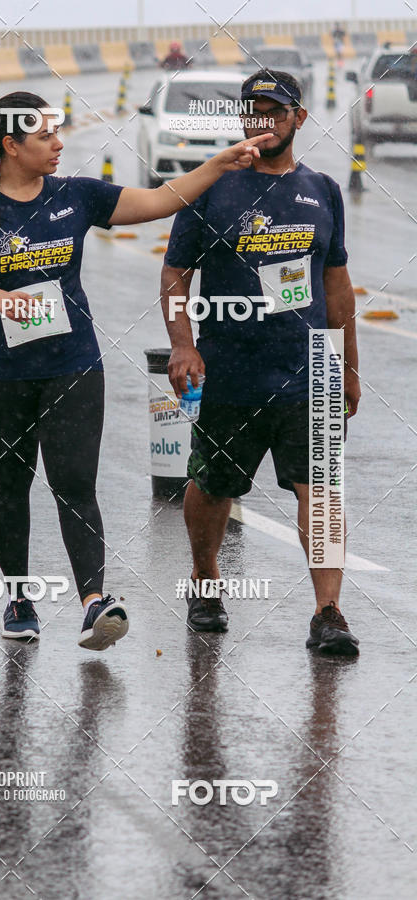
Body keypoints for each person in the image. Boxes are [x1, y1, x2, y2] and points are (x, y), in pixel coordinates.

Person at [0, 90, 271, 651]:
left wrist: (218, 163)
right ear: (10, 145)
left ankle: (95, 602)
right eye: (45, 135)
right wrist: (4, 299)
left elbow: (159, 199)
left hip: (72, 366)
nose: (58, 143)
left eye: (57, 132)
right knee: (9, 483)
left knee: (74, 485)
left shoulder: (78, 197)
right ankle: (20, 598)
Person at [160, 69, 361, 656]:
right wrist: (183, 343)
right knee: (214, 483)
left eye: (275, 111)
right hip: (230, 370)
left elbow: (337, 282)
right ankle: (205, 579)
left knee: (320, 490)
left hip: (311, 369)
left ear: (299, 117)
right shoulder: (212, 188)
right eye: (253, 111)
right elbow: (176, 271)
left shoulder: (323, 190)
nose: (263, 120)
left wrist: (348, 364)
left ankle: (328, 612)